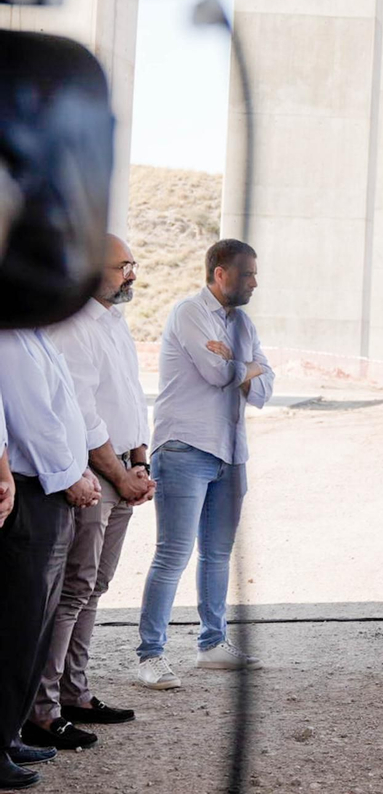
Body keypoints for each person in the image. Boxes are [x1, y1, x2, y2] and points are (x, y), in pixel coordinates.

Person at [25, 235, 155, 749]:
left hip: (123, 470)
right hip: (95, 475)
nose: (132, 275)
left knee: (94, 589)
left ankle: (76, 693)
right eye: (122, 266)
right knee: (73, 591)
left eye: (133, 265)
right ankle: (43, 709)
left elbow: (129, 399)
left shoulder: (113, 323)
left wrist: (140, 461)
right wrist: (118, 475)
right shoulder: (75, 325)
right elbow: (82, 413)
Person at [136, 239, 273, 690]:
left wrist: (238, 361)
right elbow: (219, 377)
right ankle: (150, 656)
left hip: (231, 453)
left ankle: (212, 644)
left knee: (217, 556)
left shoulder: (243, 322)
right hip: (184, 448)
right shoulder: (189, 313)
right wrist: (243, 367)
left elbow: (266, 385)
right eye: (247, 273)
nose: (255, 281)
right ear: (220, 273)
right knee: (172, 555)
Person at [0, 328, 102, 789]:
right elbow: (33, 420)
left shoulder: (33, 333)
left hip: (51, 486)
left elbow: (65, 413)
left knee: (36, 627)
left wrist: (78, 467)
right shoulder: (9, 338)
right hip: (34, 490)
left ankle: (10, 732)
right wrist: (70, 477)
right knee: (17, 627)